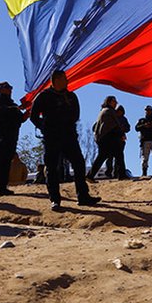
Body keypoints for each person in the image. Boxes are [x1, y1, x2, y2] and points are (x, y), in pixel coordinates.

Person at [29, 69, 101, 210]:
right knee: (52, 167)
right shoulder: (44, 96)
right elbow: (34, 116)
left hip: (69, 136)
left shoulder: (71, 96)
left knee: (79, 163)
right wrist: (44, 127)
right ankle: (55, 200)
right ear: (55, 80)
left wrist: (66, 123)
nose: (67, 81)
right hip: (51, 137)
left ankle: (83, 196)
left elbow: (76, 115)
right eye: (64, 78)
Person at [0, 81, 25, 197]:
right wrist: (15, 108)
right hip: (0, 136)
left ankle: (3, 187)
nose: (9, 90)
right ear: (0, 89)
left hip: (11, 136)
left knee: (7, 162)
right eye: (7, 88)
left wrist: (28, 113)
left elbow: (20, 118)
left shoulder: (13, 104)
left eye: (10, 88)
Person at [89, 96, 123, 181]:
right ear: (109, 102)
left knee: (103, 156)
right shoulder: (109, 111)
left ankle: (90, 176)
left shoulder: (104, 111)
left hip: (103, 137)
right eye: (114, 101)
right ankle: (122, 175)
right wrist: (121, 134)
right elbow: (114, 125)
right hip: (108, 137)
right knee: (118, 154)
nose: (116, 103)